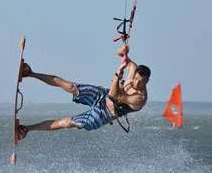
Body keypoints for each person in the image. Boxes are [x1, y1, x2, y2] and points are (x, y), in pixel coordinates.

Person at [16, 44, 150, 140]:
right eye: (136, 79)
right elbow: (120, 54)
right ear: (135, 73)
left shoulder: (140, 98)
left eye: (142, 82)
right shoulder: (133, 70)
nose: (137, 83)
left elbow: (114, 94)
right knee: (70, 86)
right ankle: (30, 73)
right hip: (102, 95)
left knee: (67, 122)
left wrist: (118, 74)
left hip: (104, 114)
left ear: (147, 82)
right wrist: (122, 50)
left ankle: (27, 129)